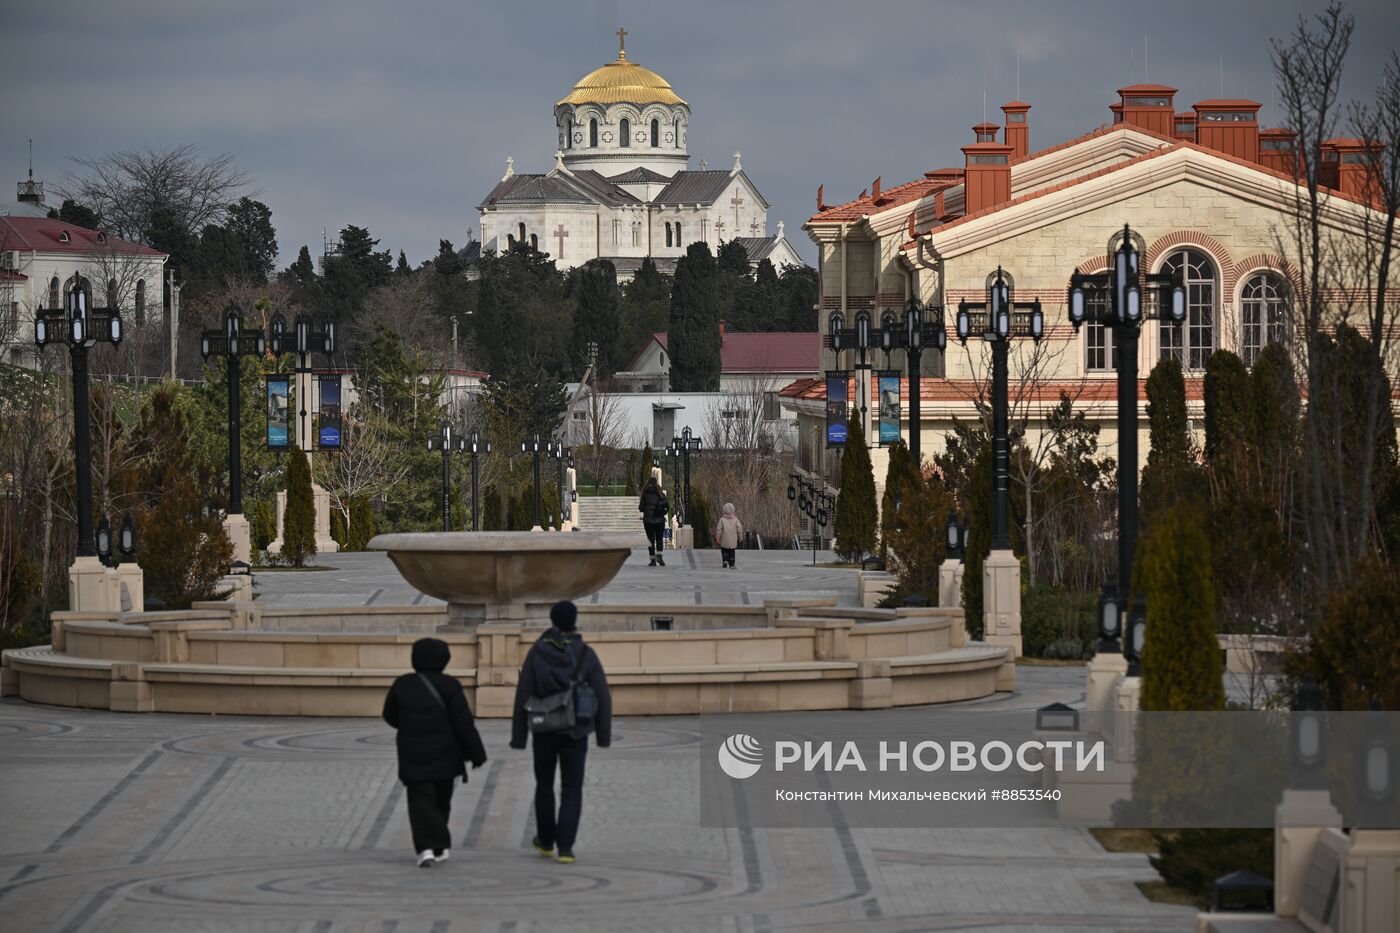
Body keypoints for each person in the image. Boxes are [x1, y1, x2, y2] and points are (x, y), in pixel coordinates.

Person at [510, 600, 612, 864]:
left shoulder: (537, 651)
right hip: (576, 729)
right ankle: (565, 848)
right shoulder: (585, 653)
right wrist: (603, 735)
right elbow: (602, 695)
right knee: (572, 789)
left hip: (543, 728)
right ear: (574, 621)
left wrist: (519, 736)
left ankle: (545, 841)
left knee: (544, 786)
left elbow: (523, 692)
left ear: (552, 620)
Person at [382, 637, 488, 868]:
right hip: (446, 753)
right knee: (441, 800)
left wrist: (408, 726)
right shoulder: (450, 685)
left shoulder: (402, 684)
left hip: (413, 752)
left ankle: (427, 848)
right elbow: (463, 723)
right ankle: (436, 844)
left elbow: (389, 715)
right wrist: (476, 753)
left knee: (420, 801)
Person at [638, 476, 669, 567]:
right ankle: (659, 555)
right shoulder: (660, 493)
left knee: (650, 540)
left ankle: (652, 560)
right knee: (659, 538)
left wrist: (647, 509)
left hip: (648, 521)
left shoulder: (645, 493)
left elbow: (641, 508)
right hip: (659, 520)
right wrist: (662, 513)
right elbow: (666, 505)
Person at [715, 502, 744, 569]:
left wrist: (717, 538)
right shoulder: (736, 520)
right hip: (733, 540)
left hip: (724, 539)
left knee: (724, 550)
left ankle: (725, 560)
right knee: (732, 551)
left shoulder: (722, 520)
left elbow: (719, 530)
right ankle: (732, 564)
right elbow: (739, 529)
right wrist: (740, 538)